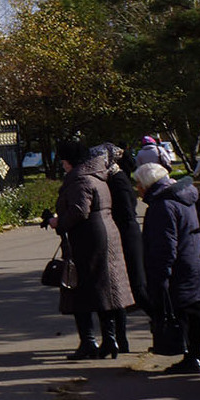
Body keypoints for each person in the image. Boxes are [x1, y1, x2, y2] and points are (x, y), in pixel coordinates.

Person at [136, 162, 200, 374]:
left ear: (147, 185)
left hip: (178, 267)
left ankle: (192, 358)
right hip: (194, 260)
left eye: (138, 184)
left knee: (182, 312)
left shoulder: (162, 205)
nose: (137, 189)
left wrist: (160, 276)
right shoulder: (187, 196)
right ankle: (196, 355)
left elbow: (164, 245)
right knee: (193, 311)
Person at [53, 139, 134, 360]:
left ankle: (89, 342)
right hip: (104, 235)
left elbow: (80, 210)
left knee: (79, 289)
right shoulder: (97, 176)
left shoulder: (80, 179)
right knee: (103, 290)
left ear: (68, 160)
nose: (61, 164)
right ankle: (110, 340)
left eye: (62, 160)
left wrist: (57, 223)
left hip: (88, 239)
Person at [100, 144, 147, 352]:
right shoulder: (116, 178)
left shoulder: (118, 180)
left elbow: (126, 214)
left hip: (127, 238)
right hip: (125, 236)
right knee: (120, 289)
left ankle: (167, 327)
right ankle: (119, 339)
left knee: (138, 288)